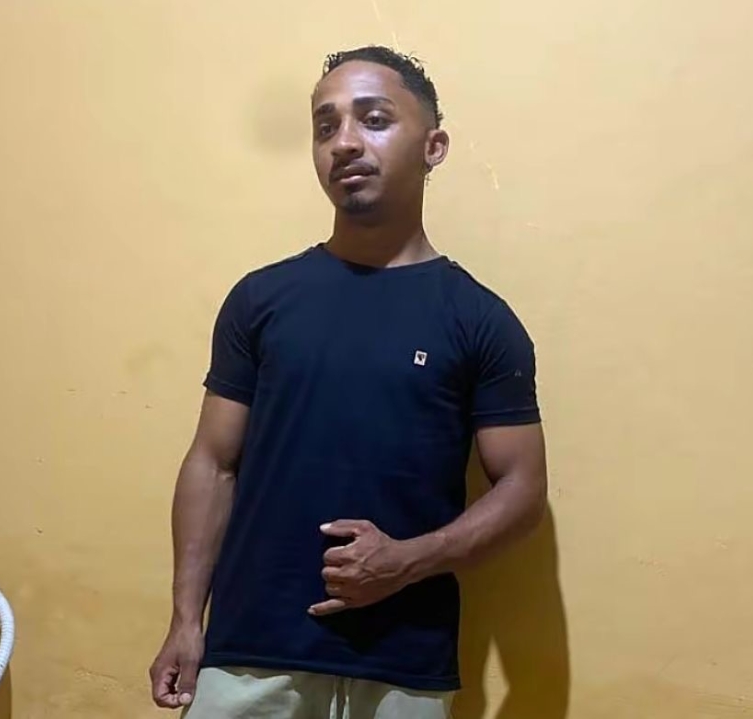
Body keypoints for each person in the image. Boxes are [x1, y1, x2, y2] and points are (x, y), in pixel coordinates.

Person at [149, 45, 548, 719]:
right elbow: (213, 463)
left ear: (434, 147)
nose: (345, 142)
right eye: (326, 125)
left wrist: (408, 559)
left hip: (403, 669)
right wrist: (187, 620)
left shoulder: (480, 320)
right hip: (248, 657)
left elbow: (523, 490)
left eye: (374, 119)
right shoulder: (261, 300)